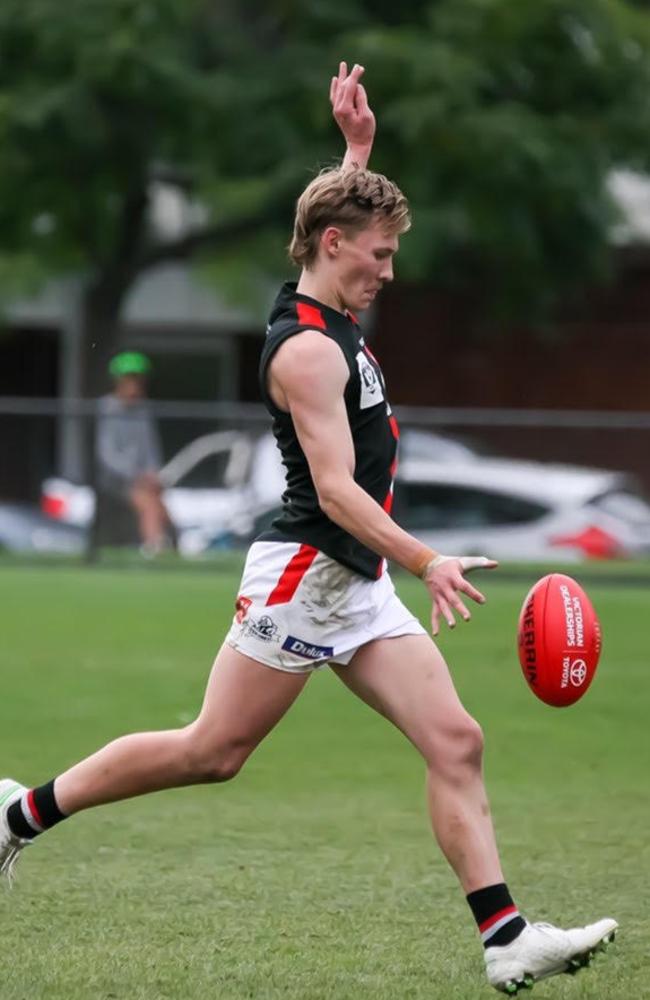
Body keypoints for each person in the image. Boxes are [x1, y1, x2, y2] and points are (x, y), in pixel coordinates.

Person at [0, 64, 616, 995]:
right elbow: (334, 489)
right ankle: (16, 818)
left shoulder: (331, 296)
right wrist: (425, 558)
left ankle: (506, 939)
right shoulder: (306, 351)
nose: (389, 269)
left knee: (457, 741)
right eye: (378, 253)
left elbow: (332, 229)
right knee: (213, 751)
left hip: (356, 580)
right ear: (335, 245)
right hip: (308, 571)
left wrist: (358, 155)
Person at [95, 351, 174, 554]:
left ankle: (168, 546)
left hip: (143, 480)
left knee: (159, 503)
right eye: (129, 379)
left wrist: (153, 474)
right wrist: (136, 475)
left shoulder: (143, 410)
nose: (134, 385)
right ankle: (154, 546)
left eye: (138, 380)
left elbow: (150, 449)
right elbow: (107, 455)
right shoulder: (106, 408)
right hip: (115, 479)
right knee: (148, 503)